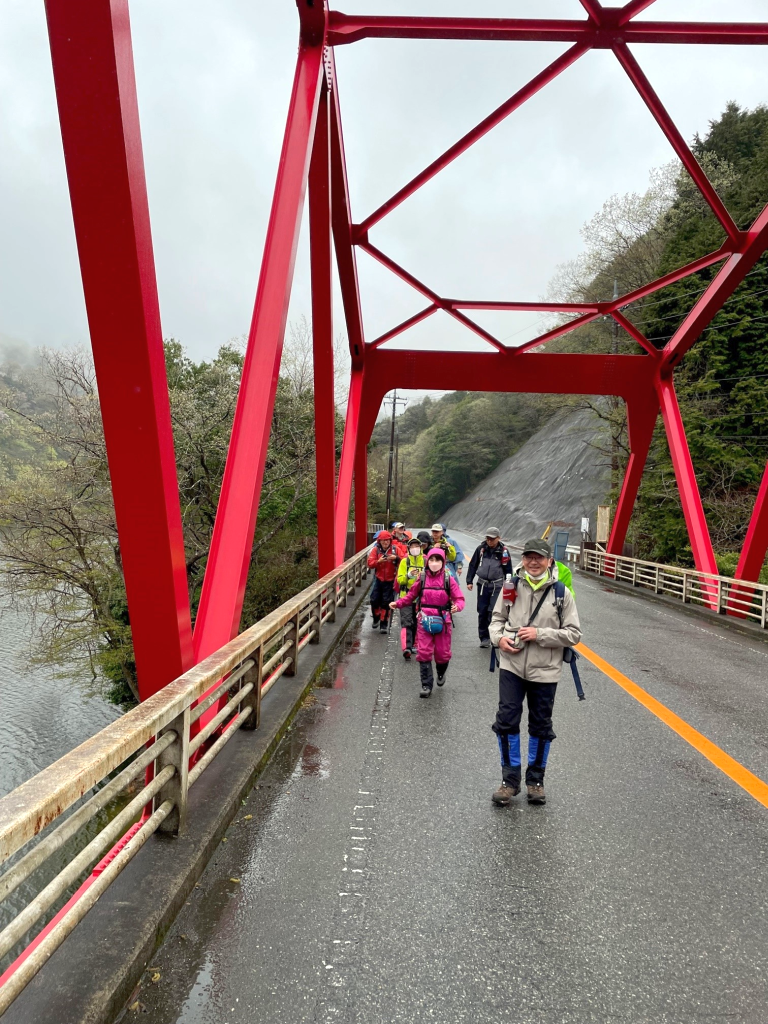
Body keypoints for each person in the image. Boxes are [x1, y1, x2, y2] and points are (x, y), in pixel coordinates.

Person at [488, 538, 581, 806]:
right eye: (528, 557)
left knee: (540, 725)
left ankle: (535, 781)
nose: (533, 562)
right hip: (512, 665)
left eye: (539, 557)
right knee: (506, 720)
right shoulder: (511, 586)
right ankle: (509, 781)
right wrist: (499, 639)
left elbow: (574, 634)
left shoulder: (562, 593)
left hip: (546, 670)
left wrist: (539, 634)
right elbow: (497, 621)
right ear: (523, 560)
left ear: (549, 561)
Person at [391, 547, 464, 698]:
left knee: (442, 654)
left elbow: (459, 598)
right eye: (431, 559)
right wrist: (398, 603)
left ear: (443, 562)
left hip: (443, 621)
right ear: (427, 561)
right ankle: (426, 684)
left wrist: (457, 606)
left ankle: (441, 672)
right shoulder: (422, 578)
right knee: (423, 653)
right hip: (424, 621)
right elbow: (410, 596)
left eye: (438, 560)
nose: (434, 563)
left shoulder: (448, 579)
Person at [466, 527, 513, 648]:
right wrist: (469, 581)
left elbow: (508, 570)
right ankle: (484, 638)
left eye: (492, 539)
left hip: (497, 585)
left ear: (498, 538)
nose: (490, 541)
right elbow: (473, 565)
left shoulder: (504, 551)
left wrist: (509, 586)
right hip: (482, 585)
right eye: (488, 538)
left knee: (493, 612)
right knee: (482, 611)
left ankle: (495, 637)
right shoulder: (481, 549)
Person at [395, 536, 425, 658]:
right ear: (408, 548)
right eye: (412, 547)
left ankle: (416, 645)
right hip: (406, 596)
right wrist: (408, 575)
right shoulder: (404, 562)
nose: (414, 549)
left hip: (421, 597)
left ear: (421, 548)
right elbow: (399, 580)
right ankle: (406, 648)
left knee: (419, 622)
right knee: (407, 621)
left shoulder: (426, 561)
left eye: (416, 546)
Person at [366, 530, 399, 632]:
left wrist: (396, 558)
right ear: (379, 541)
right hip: (379, 579)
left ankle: (384, 624)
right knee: (374, 600)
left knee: (386, 602)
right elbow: (370, 564)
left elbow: (405, 560)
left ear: (390, 540)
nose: (385, 543)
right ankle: (376, 618)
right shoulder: (375, 550)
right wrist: (378, 562)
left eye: (387, 540)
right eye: (383, 541)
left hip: (390, 580)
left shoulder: (395, 550)